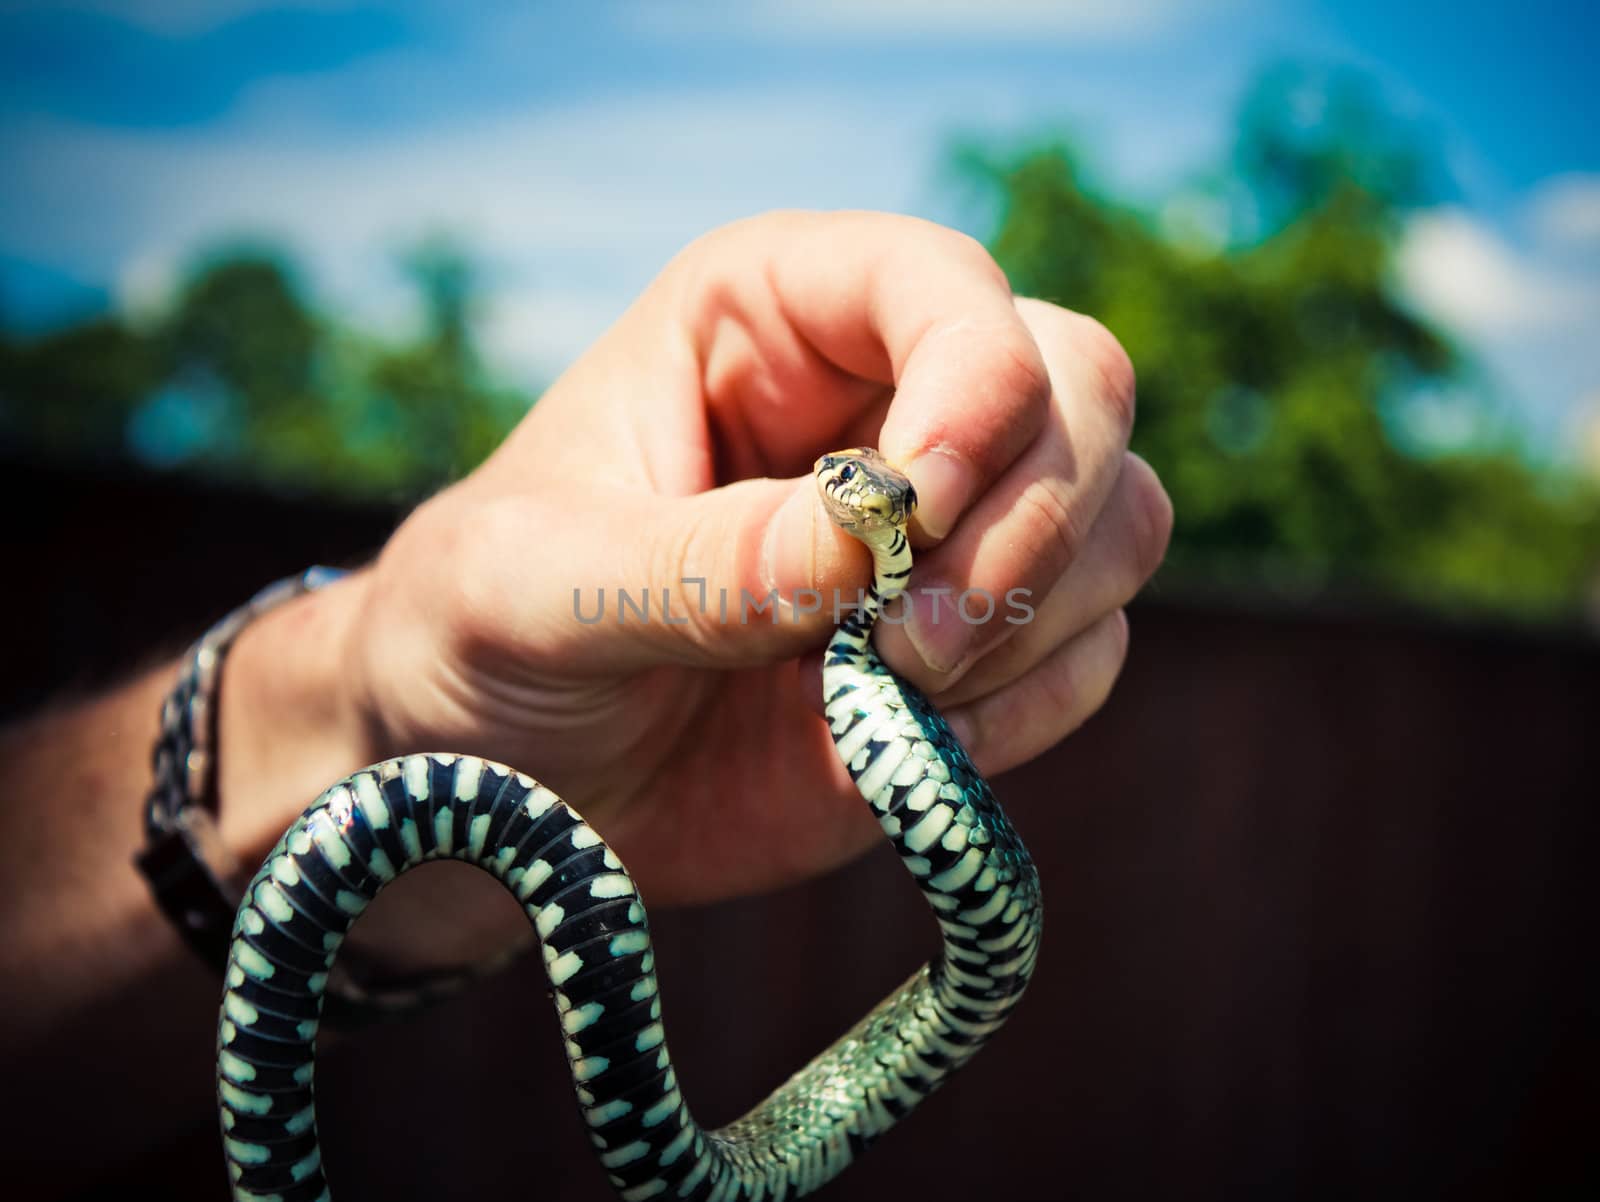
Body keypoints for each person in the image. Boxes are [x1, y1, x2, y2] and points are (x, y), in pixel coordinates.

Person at [0, 210, 1171, 1187]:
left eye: (867, 480)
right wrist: (353, 695)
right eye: (835, 477)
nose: (848, 486)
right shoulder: (821, 612)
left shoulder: (873, 643)